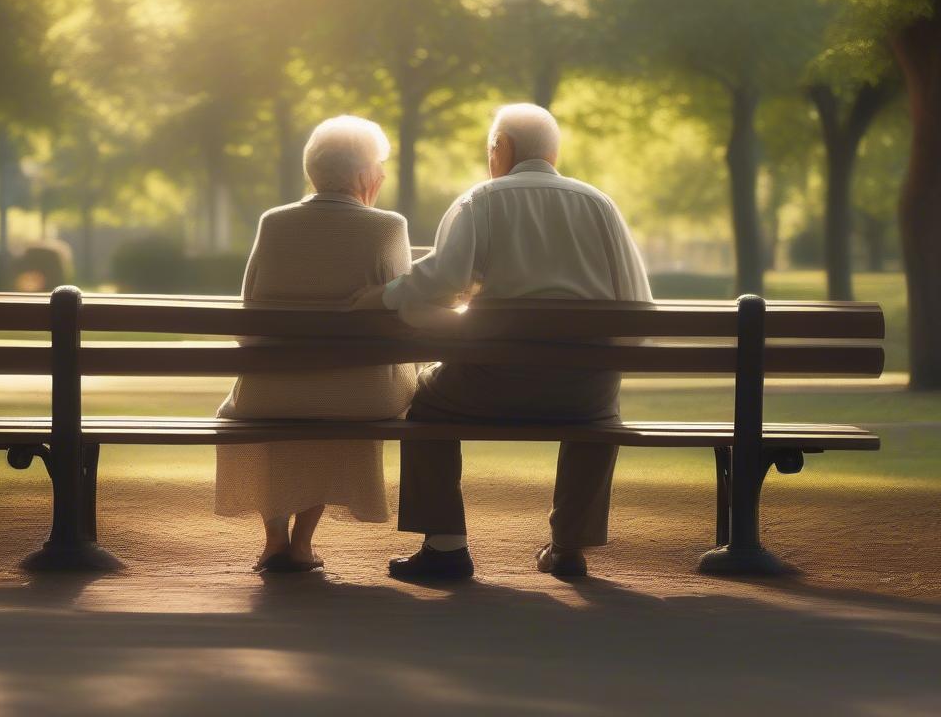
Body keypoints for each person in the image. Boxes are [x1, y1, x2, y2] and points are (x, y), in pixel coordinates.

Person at [354, 103, 652, 581]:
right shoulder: (600, 206)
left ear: (502, 148)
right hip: (581, 397)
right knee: (602, 399)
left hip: (488, 388)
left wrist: (388, 296)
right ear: (553, 153)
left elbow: (439, 282)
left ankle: (446, 545)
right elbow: (637, 309)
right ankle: (569, 546)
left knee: (426, 399)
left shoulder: (482, 201)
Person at [215, 115, 417, 573]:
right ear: (365, 175)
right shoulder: (388, 227)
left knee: (281, 393)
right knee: (345, 392)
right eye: (381, 166)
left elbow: (248, 320)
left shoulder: (274, 223)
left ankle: (273, 542)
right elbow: (403, 316)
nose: (383, 176)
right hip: (363, 395)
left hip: (271, 394)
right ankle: (302, 544)